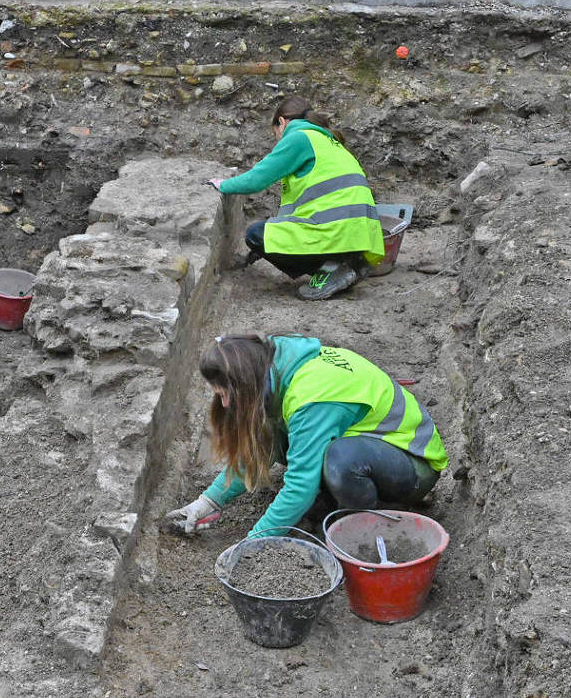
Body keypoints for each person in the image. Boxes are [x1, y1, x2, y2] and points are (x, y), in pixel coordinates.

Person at [165, 334, 447, 538]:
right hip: (375, 449)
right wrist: (207, 502)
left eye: (225, 395)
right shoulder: (277, 367)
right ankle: (333, 499)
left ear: (245, 382)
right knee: (288, 438)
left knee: (341, 460)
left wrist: (255, 541)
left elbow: (300, 486)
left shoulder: (311, 399)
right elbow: (263, 447)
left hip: (413, 464)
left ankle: (358, 529)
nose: (225, 405)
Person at [207, 97, 386, 300]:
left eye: (275, 133)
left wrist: (223, 184)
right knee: (270, 233)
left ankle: (333, 271)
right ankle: (349, 263)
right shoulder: (329, 141)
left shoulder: (299, 138)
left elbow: (256, 180)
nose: (277, 140)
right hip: (360, 236)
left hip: (336, 232)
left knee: (256, 234)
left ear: (282, 123)